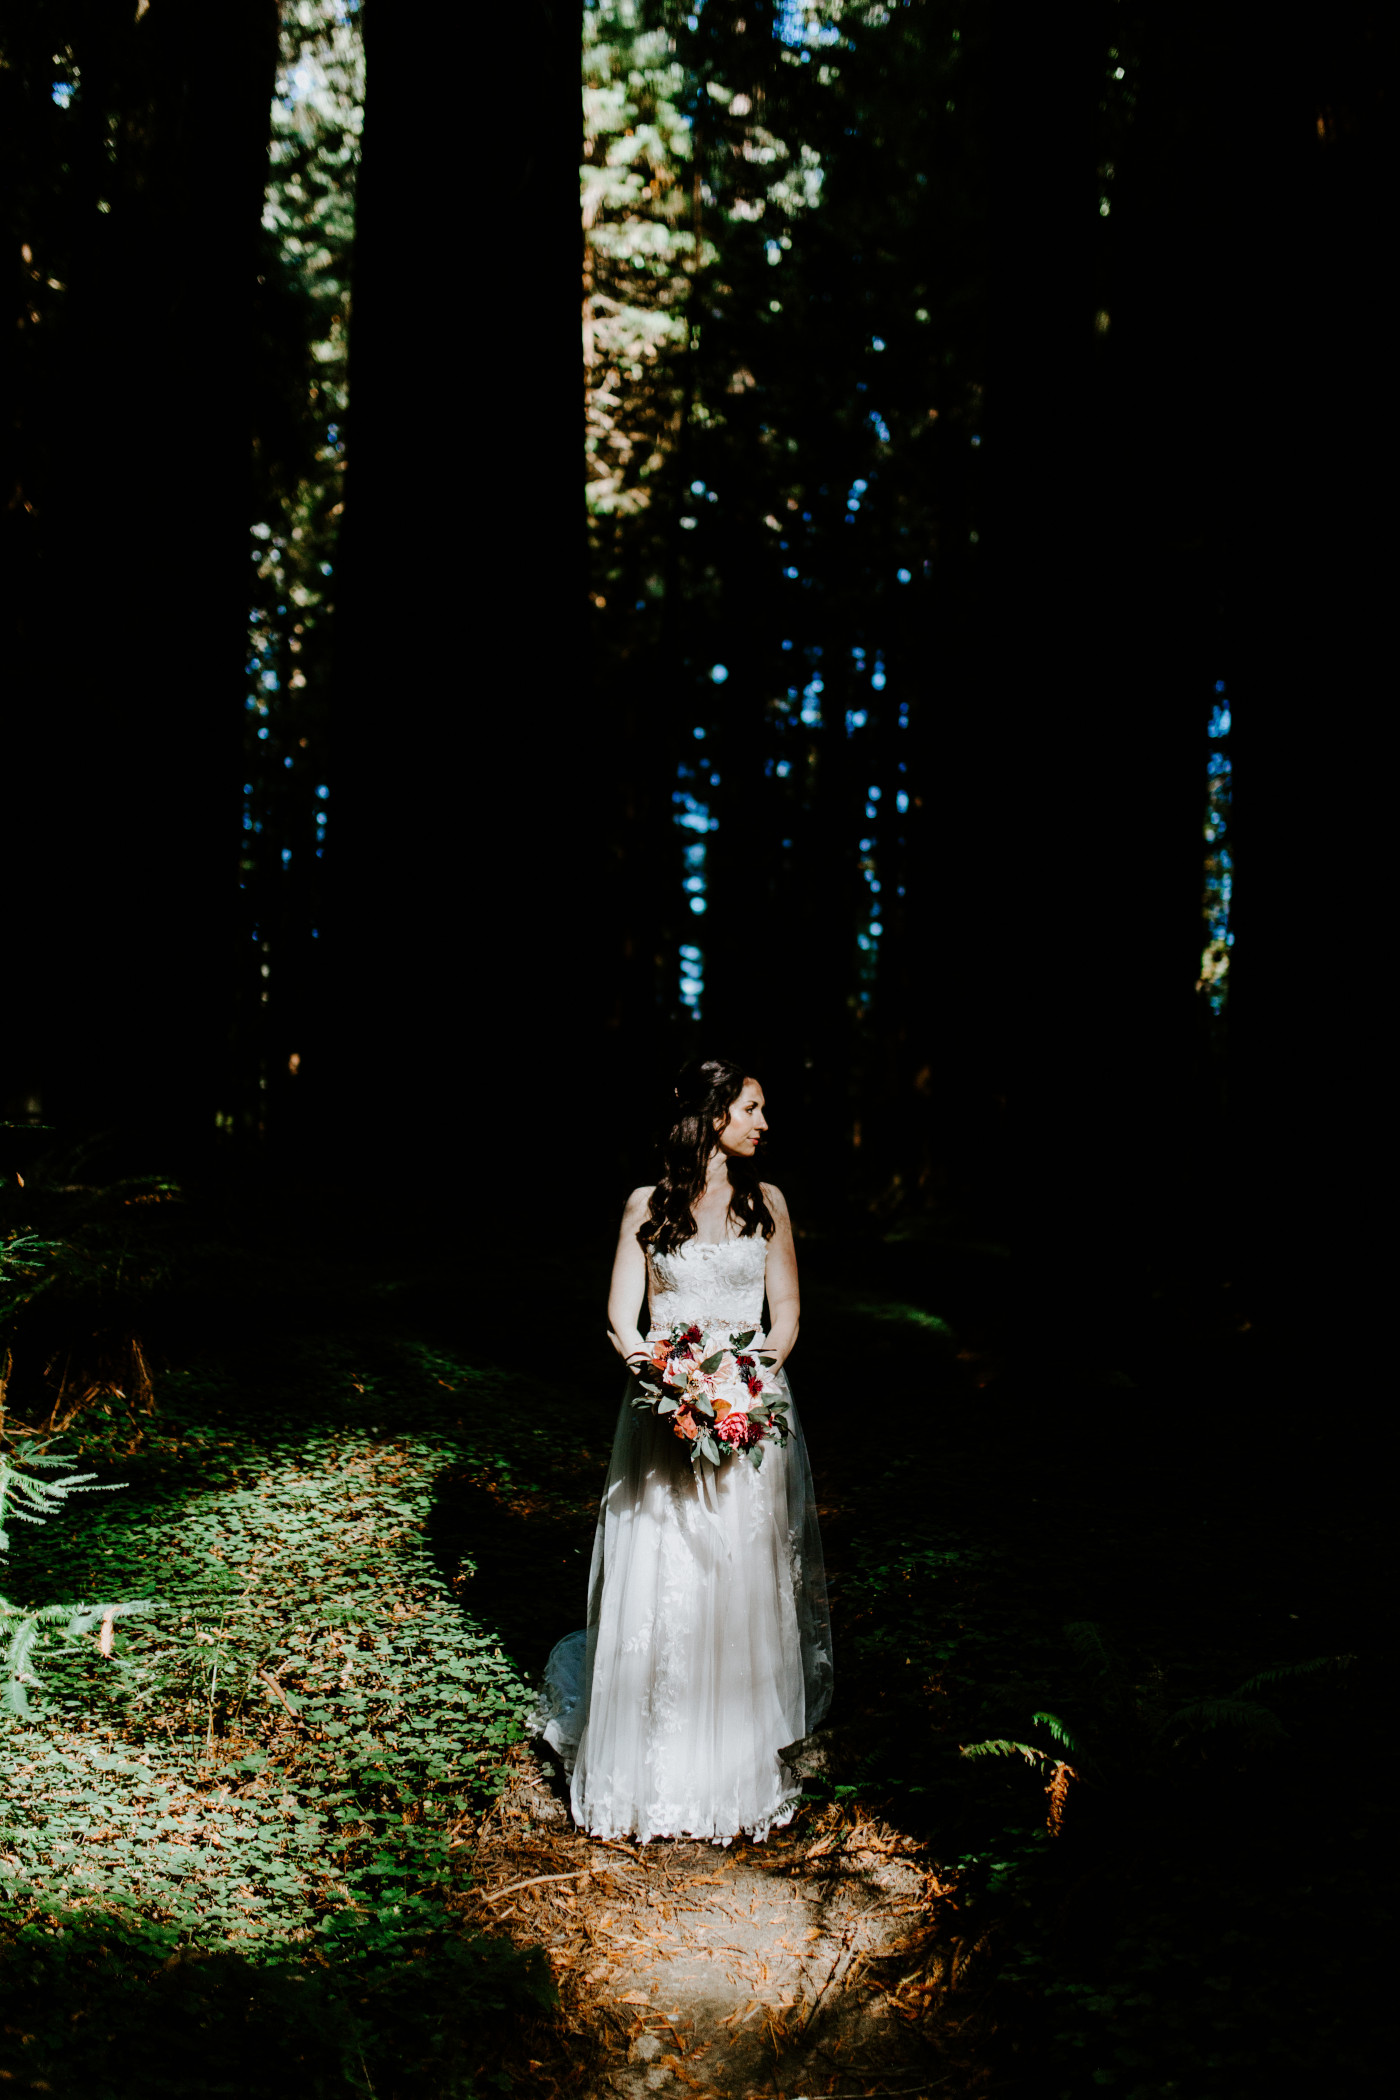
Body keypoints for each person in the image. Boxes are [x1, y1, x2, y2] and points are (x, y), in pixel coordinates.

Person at [533, 1056, 833, 1844]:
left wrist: (743, 1389)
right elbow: (620, 1318)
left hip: (748, 1410)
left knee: (739, 1575)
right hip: (659, 1417)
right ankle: (649, 1771)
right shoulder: (646, 1204)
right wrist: (668, 1389)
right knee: (665, 1569)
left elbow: (788, 1311)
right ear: (713, 1114)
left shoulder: (769, 1202)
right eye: (753, 1108)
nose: (765, 1123)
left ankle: (734, 1774)